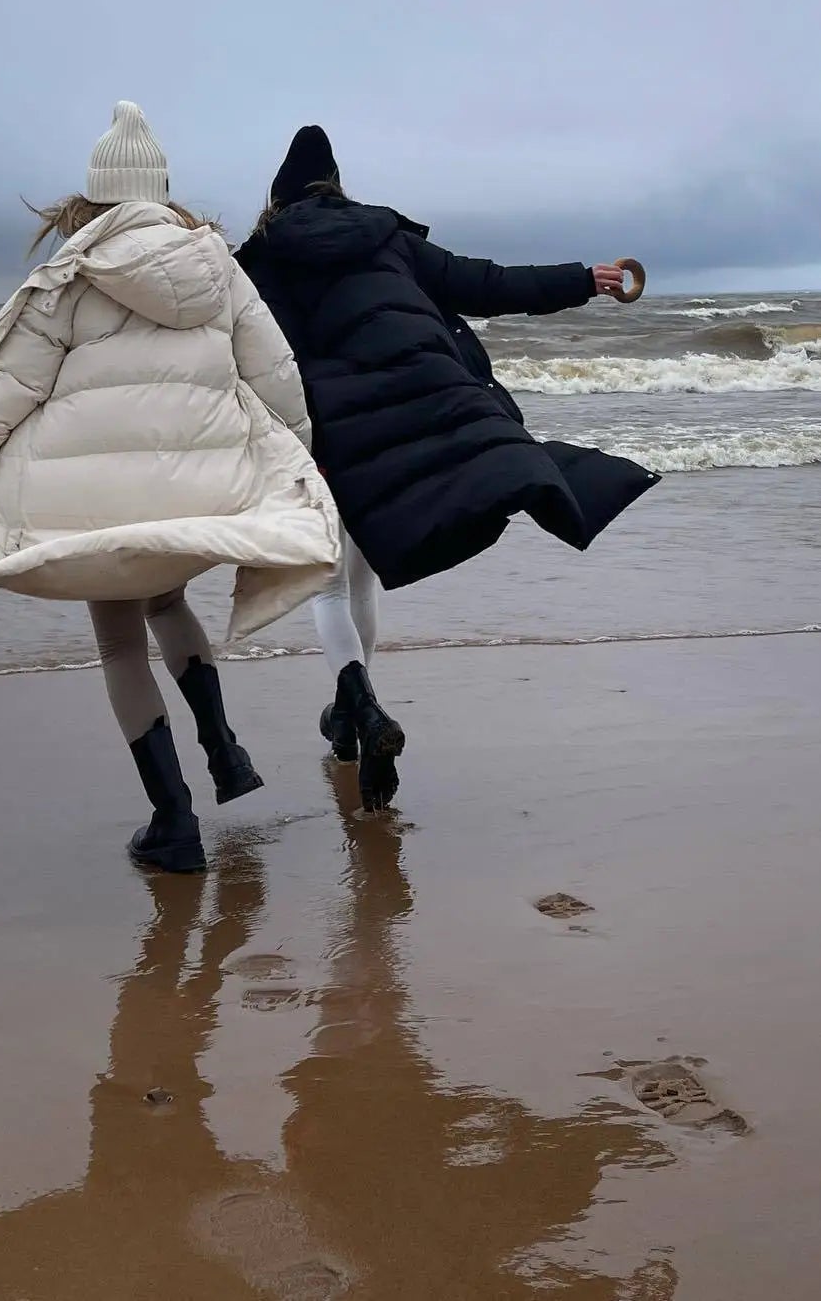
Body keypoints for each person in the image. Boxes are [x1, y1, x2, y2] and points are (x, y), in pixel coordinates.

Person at [0, 103, 340, 874]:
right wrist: (294, 465)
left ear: (94, 196)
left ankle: (175, 820)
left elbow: (5, 393)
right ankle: (225, 752)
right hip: (201, 496)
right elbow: (275, 375)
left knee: (119, 637)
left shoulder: (71, 276)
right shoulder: (217, 264)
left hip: (98, 506)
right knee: (168, 599)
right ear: (162, 189)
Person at [235, 125, 659, 811]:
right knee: (362, 574)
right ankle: (355, 710)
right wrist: (586, 279)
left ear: (277, 199)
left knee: (329, 583)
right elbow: (486, 284)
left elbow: (245, 346)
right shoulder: (386, 237)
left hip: (335, 429)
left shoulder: (260, 258)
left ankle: (357, 704)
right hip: (427, 405)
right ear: (336, 185)